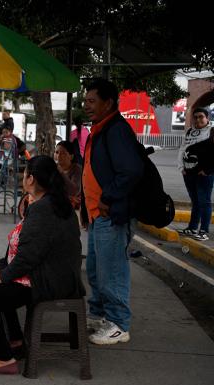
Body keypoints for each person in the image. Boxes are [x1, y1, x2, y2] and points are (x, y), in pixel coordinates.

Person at [0, 155, 84, 374]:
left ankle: (4, 359)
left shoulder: (44, 209)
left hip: (49, 281)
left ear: (31, 179)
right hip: (48, 274)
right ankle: (15, 341)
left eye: (24, 174)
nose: (22, 178)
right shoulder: (50, 202)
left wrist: (3, 276)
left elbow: (28, 257)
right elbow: (23, 248)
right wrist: (2, 267)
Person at [81, 78, 144, 345]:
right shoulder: (100, 128)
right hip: (97, 214)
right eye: (85, 101)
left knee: (112, 270)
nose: (86, 106)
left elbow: (131, 170)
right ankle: (100, 315)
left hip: (111, 214)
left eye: (92, 101)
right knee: (96, 269)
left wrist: (108, 197)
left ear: (108, 103)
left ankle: (119, 323)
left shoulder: (116, 129)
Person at [177, 107, 214, 241]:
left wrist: (208, 170)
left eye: (201, 117)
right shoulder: (189, 132)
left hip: (204, 175)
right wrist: (181, 167)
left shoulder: (212, 131)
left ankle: (203, 231)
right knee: (196, 202)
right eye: (195, 117)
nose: (198, 119)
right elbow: (182, 149)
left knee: (204, 202)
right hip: (188, 173)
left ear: (207, 118)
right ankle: (192, 228)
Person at [55, 141, 82, 209]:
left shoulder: (77, 169)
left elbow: (74, 191)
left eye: (63, 153)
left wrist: (61, 173)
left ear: (71, 156)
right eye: (56, 152)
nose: (58, 156)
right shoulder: (53, 168)